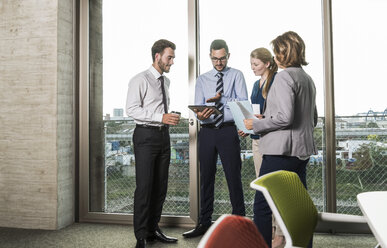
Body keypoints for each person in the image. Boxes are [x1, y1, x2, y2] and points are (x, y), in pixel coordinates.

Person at [244, 31, 318, 247]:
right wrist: (266, 117)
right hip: (300, 152)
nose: (275, 56)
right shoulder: (306, 78)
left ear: (283, 54)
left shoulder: (284, 77)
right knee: (299, 208)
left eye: (277, 52)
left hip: (280, 152)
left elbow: (285, 117)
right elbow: (311, 117)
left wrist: (256, 124)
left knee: (263, 205)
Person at [183, 39, 247, 238]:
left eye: (222, 58)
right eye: (214, 59)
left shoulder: (237, 75)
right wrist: (200, 114)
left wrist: (221, 100)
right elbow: (199, 107)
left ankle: (240, 224)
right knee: (206, 178)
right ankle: (204, 223)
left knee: (233, 178)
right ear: (210, 57)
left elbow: (242, 104)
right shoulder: (203, 80)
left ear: (228, 55)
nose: (218, 63)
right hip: (208, 131)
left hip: (228, 131)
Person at [126, 39, 180, 248]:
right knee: (145, 187)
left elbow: (159, 109)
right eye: (170, 57)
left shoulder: (166, 82)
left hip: (163, 136)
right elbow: (132, 109)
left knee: (160, 186)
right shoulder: (139, 79)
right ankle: (140, 236)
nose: (172, 62)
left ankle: (152, 229)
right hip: (145, 137)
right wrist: (160, 118)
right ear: (157, 56)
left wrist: (168, 118)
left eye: (173, 57)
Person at [238, 47, 285, 248]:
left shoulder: (277, 81)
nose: (253, 68)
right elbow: (253, 113)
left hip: (273, 141)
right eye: (251, 65)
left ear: (267, 63)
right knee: (264, 190)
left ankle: (281, 233)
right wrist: (245, 127)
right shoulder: (256, 85)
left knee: (276, 190)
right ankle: (271, 230)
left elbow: (277, 115)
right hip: (257, 139)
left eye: (256, 64)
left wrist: (258, 121)